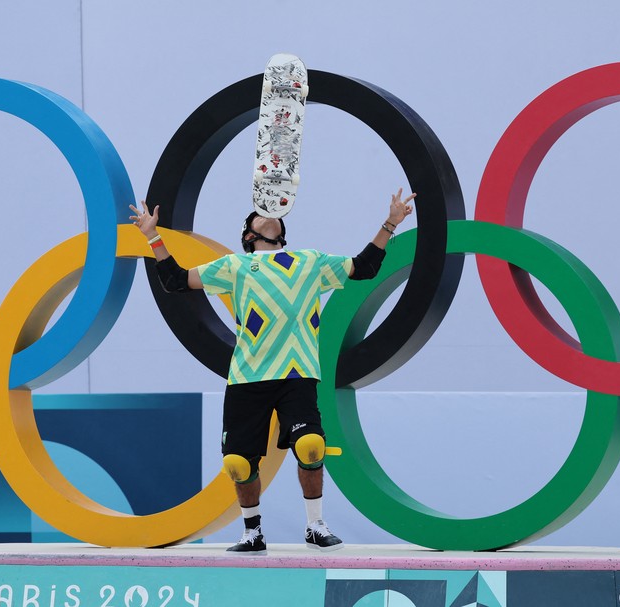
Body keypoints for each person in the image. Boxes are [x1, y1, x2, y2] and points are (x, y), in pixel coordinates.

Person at [130, 189, 415, 554]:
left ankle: (315, 525)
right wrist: (152, 235)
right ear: (248, 235)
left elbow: (366, 267)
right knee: (237, 463)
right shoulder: (234, 266)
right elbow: (175, 280)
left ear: (280, 230)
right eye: (254, 215)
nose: (263, 213)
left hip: (297, 374)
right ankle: (252, 532)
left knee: (311, 447)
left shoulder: (309, 261)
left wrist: (391, 222)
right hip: (247, 378)